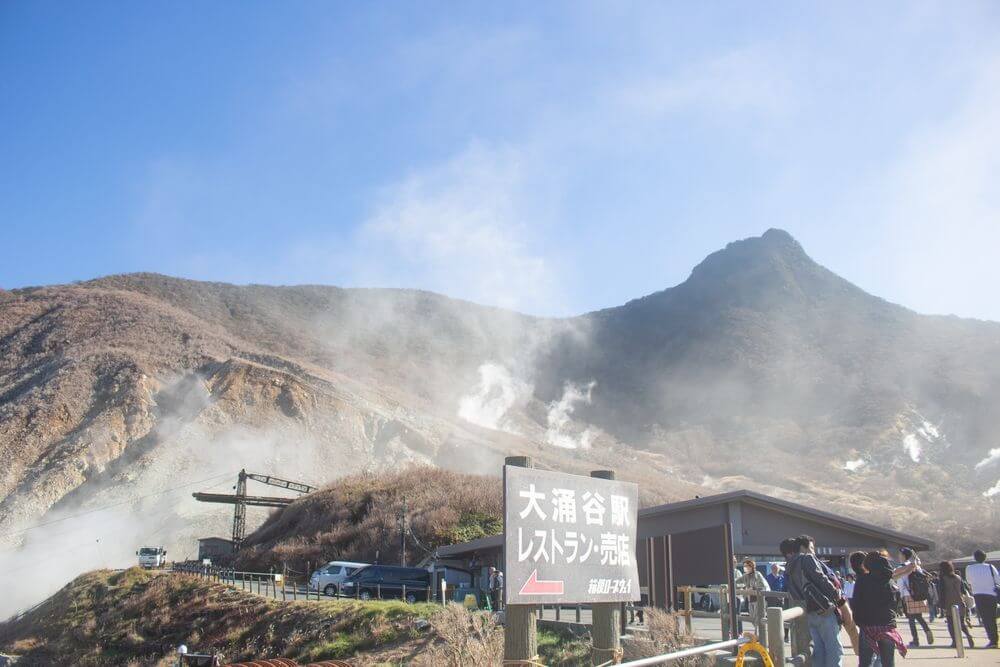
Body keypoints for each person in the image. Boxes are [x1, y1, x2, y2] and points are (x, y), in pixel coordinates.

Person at [782, 537, 847, 667]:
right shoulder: (807, 559)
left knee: (818, 651)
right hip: (823, 609)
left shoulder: (789, 565)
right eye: (811, 548)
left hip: (807, 611)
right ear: (803, 548)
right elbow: (821, 579)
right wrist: (837, 594)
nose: (813, 552)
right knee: (834, 650)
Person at [852, 551, 914, 667]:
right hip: (887, 626)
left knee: (865, 662)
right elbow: (895, 604)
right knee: (888, 662)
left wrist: (859, 622)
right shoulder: (890, 581)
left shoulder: (862, 580)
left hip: (868, 626)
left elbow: (856, 604)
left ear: (867, 564)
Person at [896, 547, 933, 647]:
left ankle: (915, 640)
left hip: (908, 594)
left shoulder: (902, 567)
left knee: (911, 618)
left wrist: (902, 595)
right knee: (918, 616)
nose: (898, 556)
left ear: (903, 555)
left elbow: (900, 583)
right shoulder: (916, 566)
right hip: (918, 594)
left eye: (900, 554)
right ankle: (927, 630)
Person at [965, 549, 999, 647]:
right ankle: (994, 640)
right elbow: (998, 580)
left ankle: (992, 640)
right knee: (992, 618)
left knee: (985, 618)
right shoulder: (990, 567)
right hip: (991, 594)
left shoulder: (969, 568)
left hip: (978, 594)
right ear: (985, 557)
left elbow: (969, 581)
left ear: (974, 557)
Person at [938, 561, 974, 649]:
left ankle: (955, 641)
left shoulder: (943, 578)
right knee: (961, 623)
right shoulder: (958, 577)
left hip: (949, 602)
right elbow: (963, 590)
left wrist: (941, 606)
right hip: (960, 602)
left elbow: (941, 592)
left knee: (951, 623)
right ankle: (968, 635)